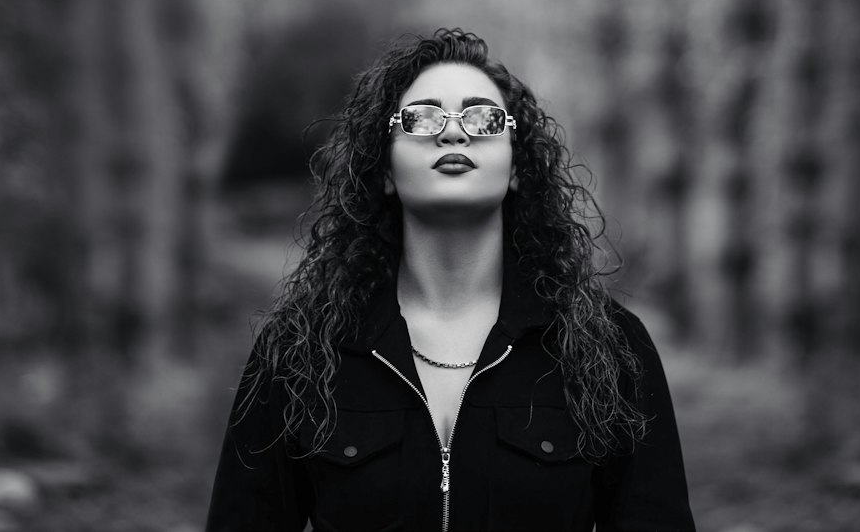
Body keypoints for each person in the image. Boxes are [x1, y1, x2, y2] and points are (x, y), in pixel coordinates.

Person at [205, 27, 696, 531]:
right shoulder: (299, 351)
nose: (454, 132)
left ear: (516, 169)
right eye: (422, 118)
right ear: (386, 171)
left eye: (484, 118)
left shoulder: (610, 348)